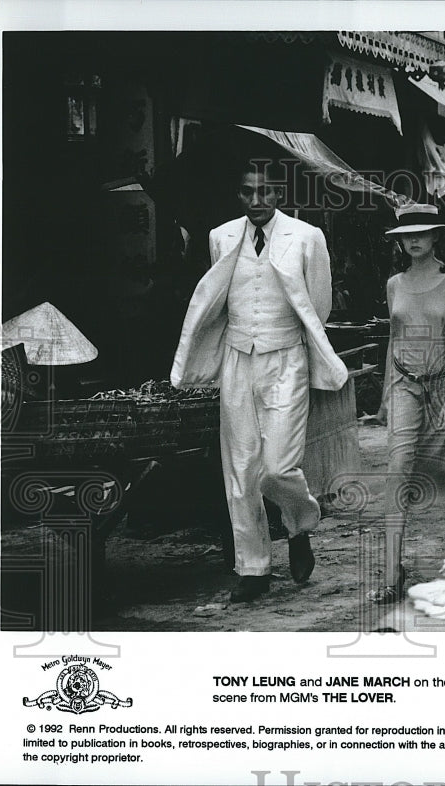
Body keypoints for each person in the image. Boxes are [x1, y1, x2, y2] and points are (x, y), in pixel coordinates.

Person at [171, 159, 348, 602]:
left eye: (265, 191)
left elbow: (319, 306)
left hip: (286, 359)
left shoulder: (307, 238)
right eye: (247, 191)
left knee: (278, 466)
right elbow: (220, 296)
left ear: (280, 193)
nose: (256, 201)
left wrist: (286, 340)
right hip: (236, 359)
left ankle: (298, 525)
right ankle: (253, 569)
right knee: (240, 469)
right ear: (238, 194)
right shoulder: (221, 236)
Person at [369, 204, 445, 604]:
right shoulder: (394, 283)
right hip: (404, 385)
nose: (413, 240)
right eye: (406, 234)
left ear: (435, 237)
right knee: (398, 469)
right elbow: (394, 339)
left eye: (422, 232)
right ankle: (393, 573)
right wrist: (384, 395)